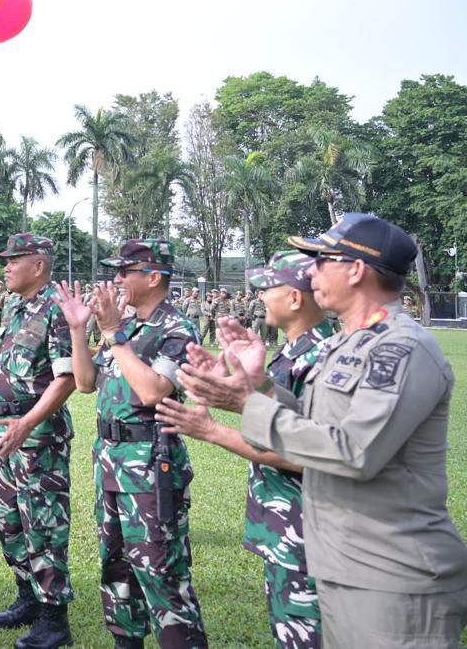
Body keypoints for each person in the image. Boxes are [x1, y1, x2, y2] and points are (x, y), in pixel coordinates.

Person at [180, 213, 467, 648]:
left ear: (356, 270)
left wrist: (244, 404)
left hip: (391, 576)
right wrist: (258, 384)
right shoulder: (345, 343)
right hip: (343, 564)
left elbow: (353, 452)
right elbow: (316, 428)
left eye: (322, 259)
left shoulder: (401, 347)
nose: (310, 271)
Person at [157, 252, 333, 648]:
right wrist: (238, 380)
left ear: (295, 299)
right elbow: (282, 426)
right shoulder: (291, 354)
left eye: (269, 288)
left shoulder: (319, 358)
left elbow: (310, 455)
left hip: (311, 531)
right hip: (290, 529)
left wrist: (211, 430)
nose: (261, 297)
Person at [54, 239, 208, 649]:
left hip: (151, 466)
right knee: (116, 566)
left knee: (160, 570)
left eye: (125, 272)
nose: (116, 279)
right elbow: (85, 383)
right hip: (111, 462)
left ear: (154, 277)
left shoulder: (176, 329)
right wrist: (78, 329)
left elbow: (153, 391)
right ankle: (127, 641)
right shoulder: (127, 327)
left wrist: (111, 333)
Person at [0, 234, 77, 649]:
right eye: (6, 260)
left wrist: (27, 423)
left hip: (39, 438)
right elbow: (2, 366)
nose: (6, 267)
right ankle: (27, 597)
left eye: (14, 260)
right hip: (5, 431)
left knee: (43, 526)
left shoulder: (57, 311)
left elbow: (66, 379)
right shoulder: (17, 307)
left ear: (39, 265)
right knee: (10, 522)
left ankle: (54, 620)